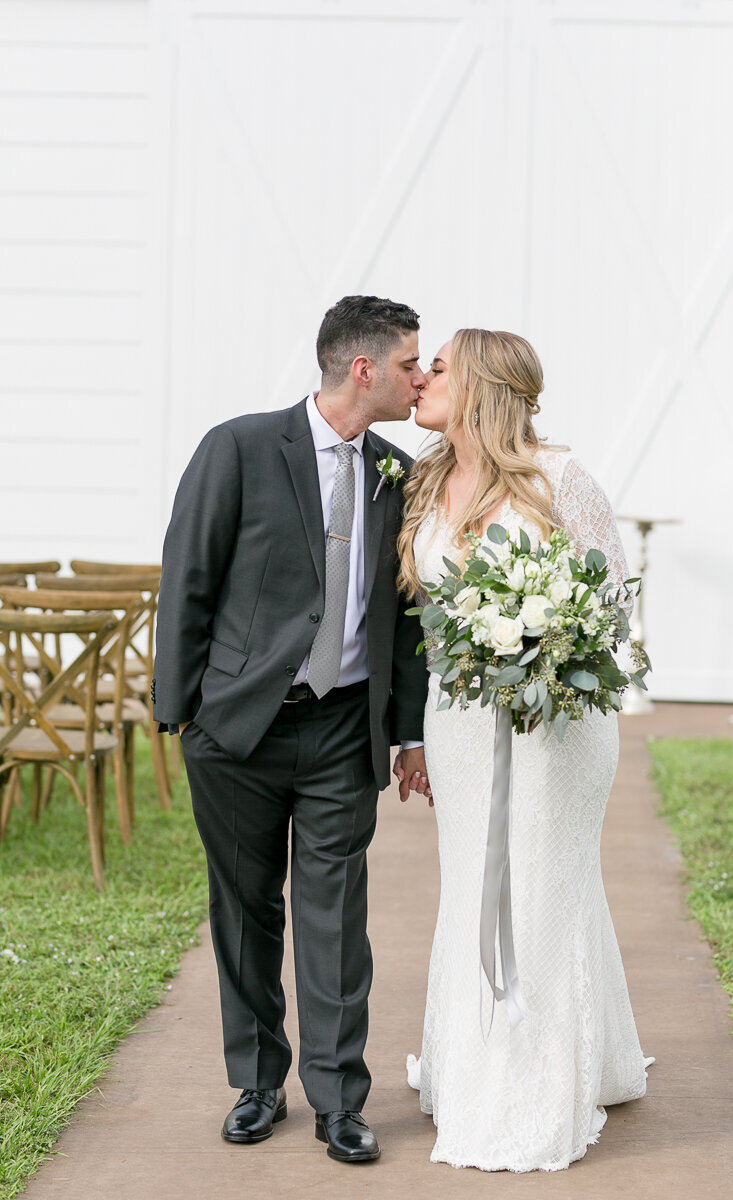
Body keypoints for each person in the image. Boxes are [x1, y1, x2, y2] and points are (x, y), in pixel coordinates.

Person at [152, 295, 430, 1163]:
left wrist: (407, 732)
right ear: (364, 369)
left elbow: (409, 620)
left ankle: (340, 1099)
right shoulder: (237, 447)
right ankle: (257, 1083)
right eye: (410, 363)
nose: (420, 377)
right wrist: (179, 712)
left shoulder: (398, 470)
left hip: (345, 729)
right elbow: (187, 575)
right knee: (244, 911)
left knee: (336, 917)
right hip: (237, 731)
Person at [399, 328, 651, 1172]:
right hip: (460, 722)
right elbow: (417, 626)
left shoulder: (560, 480)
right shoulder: (423, 479)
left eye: (438, 367)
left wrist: (544, 640)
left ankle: (529, 1085)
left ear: (480, 386)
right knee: (476, 877)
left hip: (557, 727)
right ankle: (479, 1055)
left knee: (543, 884)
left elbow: (611, 606)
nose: (421, 377)